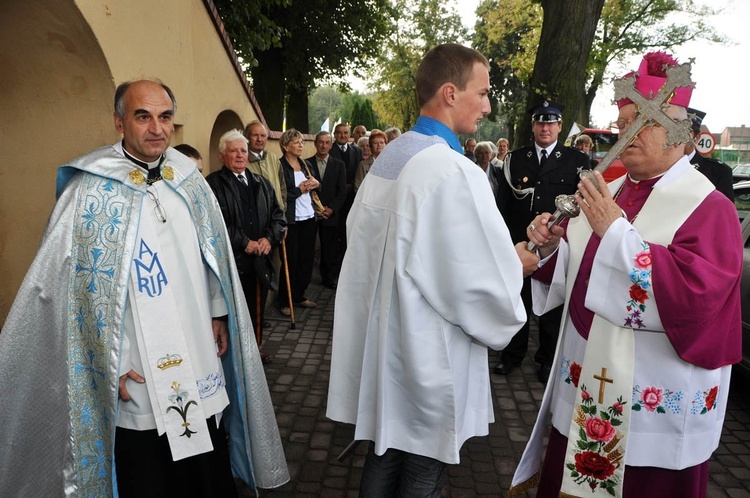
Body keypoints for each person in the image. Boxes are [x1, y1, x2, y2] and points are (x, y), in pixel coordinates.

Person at [0, 79, 289, 497]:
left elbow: (212, 257)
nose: (156, 128)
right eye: (143, 116)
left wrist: (217, 311)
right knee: (146, 470)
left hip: (195, 346)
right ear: (119, 121)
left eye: (165, 116)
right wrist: (106, 362)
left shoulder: (188, 179)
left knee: (204, 466)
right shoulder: (89, 192)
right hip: (133, 361)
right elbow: (65, 292)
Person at [510, 51, 742, 498]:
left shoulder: (709, 207)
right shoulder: (609, 189)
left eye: (642, 120)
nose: (625, 132)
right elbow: (582, 270)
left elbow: (696, 297)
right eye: (622, 121)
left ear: (679, 130)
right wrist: (551, 248)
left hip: (652, 409)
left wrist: (615, 232)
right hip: (583, 384)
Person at [327, 43, 537, 497]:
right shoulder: (452, 170)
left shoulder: (392, 155)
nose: (486, 105)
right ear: (449, 93)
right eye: (481, 93)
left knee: (385, 453)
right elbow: (470, 279)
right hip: (428, 350)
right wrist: (515, 267)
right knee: (424, 466)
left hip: (386, 338)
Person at [495, 100, 591, 383]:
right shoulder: (515, 158)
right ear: (533, 126)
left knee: (552, 305)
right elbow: (503, 205)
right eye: (540, 122)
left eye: (550, 123)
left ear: (559, 126)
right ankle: (511, 356)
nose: (545, 127)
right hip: (521, 244)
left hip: (555, 246)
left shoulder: (576, 160)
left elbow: (582, 205)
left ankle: (547, 360)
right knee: (517, 300)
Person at [206, 129, 287, 364]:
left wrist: (268, 239)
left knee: (256, 310)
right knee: (233, 312)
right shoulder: (213, 184)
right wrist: (245, 243)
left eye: (243, 150)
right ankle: (234, 357)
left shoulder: (261, 183)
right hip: (232, 262)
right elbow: (215, 222)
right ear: (222, 155)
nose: (240, 155)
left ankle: (254, 352)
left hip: (259, 261)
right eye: (233, 151)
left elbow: (278, 217)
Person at [277, 128, 320, 315]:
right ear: (285, 146)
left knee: (306, 260)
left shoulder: (305, 164)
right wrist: (299, 189)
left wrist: (316, 184)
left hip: (309, 217)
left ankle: (299, 295)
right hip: (292, 220)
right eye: (296, 142)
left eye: (302, 141)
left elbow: (313, 186)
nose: (301, 145)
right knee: (291, 261)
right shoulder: (280, 166)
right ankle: (285, 301)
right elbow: (280, 194)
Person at [306, 131, 347, 289]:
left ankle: (329, 278)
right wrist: (314, 208)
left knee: (329, 249)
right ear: (315, 143)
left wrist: (331, 209)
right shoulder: (306, 164)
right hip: (310, 213)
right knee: (308, 247)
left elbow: (342, 191)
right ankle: (305, 278)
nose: (323, 145)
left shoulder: (339, 165)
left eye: (327, 143)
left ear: (330, 145)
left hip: (330, 213)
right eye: (320, 142)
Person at [329, 123, 363, 259]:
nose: (342, 136)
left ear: (349, 135)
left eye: (345, 133)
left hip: (351, 199)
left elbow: (358, 172)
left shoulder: (357, 151)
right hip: (335, 198)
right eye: (339, 133)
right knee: (333, 235)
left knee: (347, 233)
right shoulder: (329, 150)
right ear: (335, 135)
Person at [685, 108, 733, 200]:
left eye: (685, 133)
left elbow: (724, 211)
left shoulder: (718, 171)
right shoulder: (659, 167)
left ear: (697, 137)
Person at [244, 120, 287, 210]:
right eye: (255, 135)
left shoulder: (273, 158)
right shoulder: (242, 160)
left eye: (263, 135)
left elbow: (282, 185)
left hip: (277, 216)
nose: (259, 139)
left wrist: (282, 206)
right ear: (247, 137)